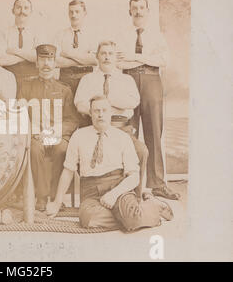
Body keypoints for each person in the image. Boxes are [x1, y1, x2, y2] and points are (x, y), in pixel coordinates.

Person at [46, 96, 174, 232]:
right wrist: (56, 202)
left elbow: (134, 176)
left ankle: (152, 207)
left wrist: (113, 194)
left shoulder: (122, 137)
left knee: (131, 218)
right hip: (90, 192)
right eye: (96, 111)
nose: (100, 114)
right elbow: (68, 171)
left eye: (104, 110)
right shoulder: (78, 136)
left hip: (118, 186)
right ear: (90, 113)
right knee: (89, 219)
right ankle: (132, 215)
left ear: (111, 112)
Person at [117, 0, 179, 200]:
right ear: (129, 12)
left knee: (154, 131)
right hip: (129, 82)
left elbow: (164, 60)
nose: (138, 11)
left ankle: (158, 184)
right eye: (134, 8)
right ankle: (129, 184)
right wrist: (144, 59)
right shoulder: (124, 34)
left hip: (152, 81)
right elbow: (120, 63)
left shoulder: (156, 35)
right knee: (129, 132)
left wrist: (135, 57)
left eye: (142, 7)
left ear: (147, 11)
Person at [74, 40, 148, 192]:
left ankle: (136, 194)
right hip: (95, 128)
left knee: (141, 151)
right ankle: (93, 193)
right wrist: (98, 111)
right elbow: (80, 103)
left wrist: (108, 101)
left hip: (120, 129)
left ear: (116, 57)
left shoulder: (126, 80)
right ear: (97, 56)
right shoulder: (87, 80)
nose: (107, 57)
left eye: (110, 53)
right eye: (103, 53)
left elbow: (133, 101)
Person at [19, 44, 80, 211]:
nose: (46, 64)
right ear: (36, 63)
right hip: (36, 136)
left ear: (55, 63)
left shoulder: (64, 89)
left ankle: (55, 197)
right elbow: (20, 115)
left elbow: (72, 120)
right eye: (42, 59)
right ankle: (41, 196)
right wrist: (35, 131)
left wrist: (55, 131)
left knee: (62, 148)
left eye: (50, 60)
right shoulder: (25, 87)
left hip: (56, 135)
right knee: (34, 149)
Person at [0, 0, 44, 94]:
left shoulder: (38, 32)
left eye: (26, 8)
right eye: (18, 7)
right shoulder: (3, 32)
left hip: (33, 78)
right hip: (8, 78)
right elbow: (1, 60)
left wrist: (15, 51)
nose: (22, 11)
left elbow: (40, 57)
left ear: (31, 11)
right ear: (13, 11)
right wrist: (29, 54)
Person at [54, 0, 97, 95]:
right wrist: (83, 59)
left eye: (77, 12)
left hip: (86, 77)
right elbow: (55, 61)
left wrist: (68, 54)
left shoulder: (93, 34)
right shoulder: (60, 34)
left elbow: (95, 60)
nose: (73, 15)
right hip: (65, 78)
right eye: (71, 12)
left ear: (85, 13)